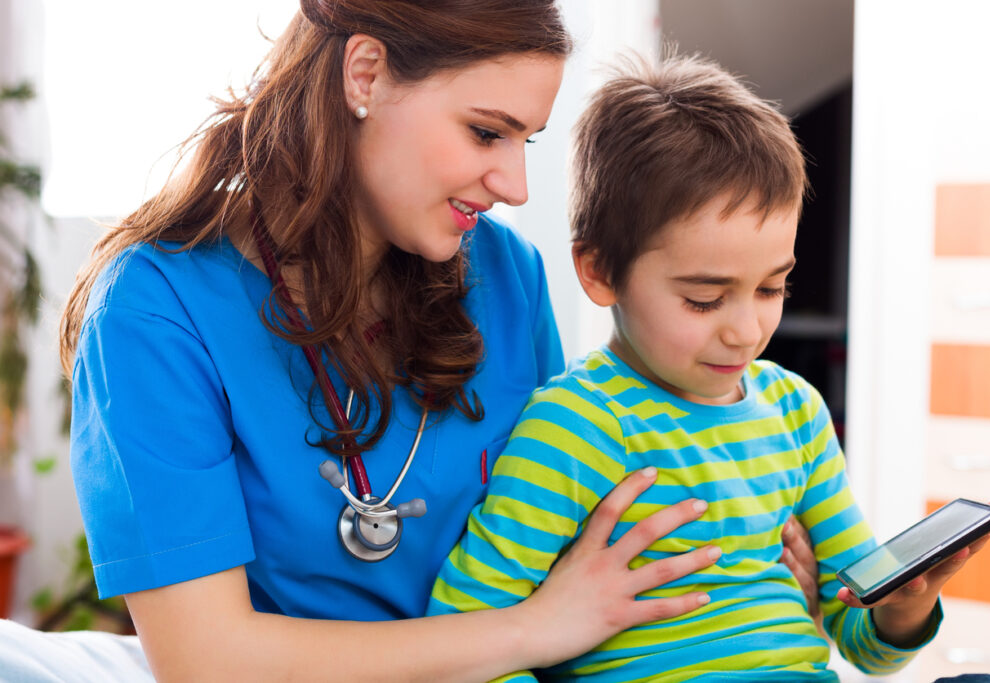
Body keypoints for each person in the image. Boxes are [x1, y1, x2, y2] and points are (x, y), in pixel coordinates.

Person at [54, 3, 826, 681]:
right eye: (486, 131)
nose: (516, 185)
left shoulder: (505, 273)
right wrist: (530, 629)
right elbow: (207, 662)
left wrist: (754, 592)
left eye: (527, 138)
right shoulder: (155, 310)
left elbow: (572, 543)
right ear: (365, 74)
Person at [427, 53, 990, 682]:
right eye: (704, 298)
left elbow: (863, 641)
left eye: (771, 288)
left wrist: (903, 610)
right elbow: (468, 634)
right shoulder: (577, 426)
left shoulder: (796, 413)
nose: (746, 331)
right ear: (598, 271)